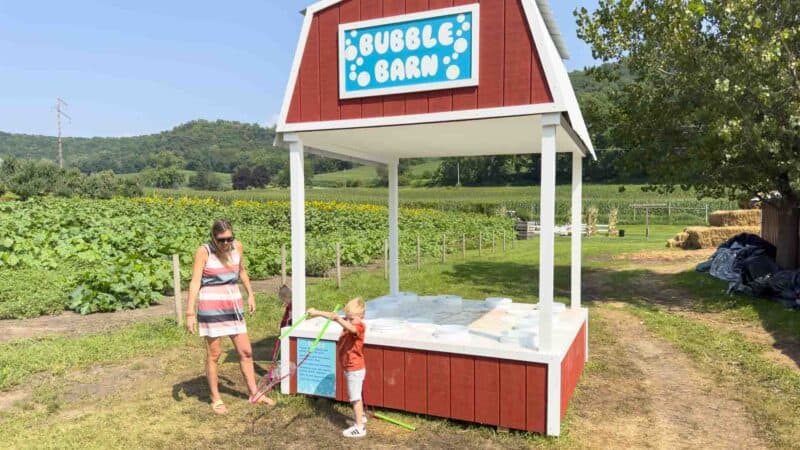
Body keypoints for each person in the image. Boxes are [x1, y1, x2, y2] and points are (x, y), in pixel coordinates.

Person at [185, 219, 275, 414]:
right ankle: (215, 397)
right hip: (211, 306)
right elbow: (194, 282)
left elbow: (242, 271)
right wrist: (190, 312)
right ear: (213, 238)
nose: (226, 243)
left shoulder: (237, 247)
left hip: (233, 304)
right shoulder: (204, 251)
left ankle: (254, 393)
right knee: (214, 354)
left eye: (229, 239)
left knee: (246, 352)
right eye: (221, 240)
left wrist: (250, 294)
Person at [308, 297, 367, 438]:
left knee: (355, 398)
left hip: (355, 368)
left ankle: (359, 427)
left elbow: (352, 328)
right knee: (356, 394)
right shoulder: (350, 321)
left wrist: (340, 320)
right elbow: (333, 316)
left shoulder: (359, 326)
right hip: (350, 367)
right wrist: (316, 312)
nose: (348, 320)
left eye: (351, 318)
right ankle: (362, 416)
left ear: (361, 316)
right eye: (347, 317)